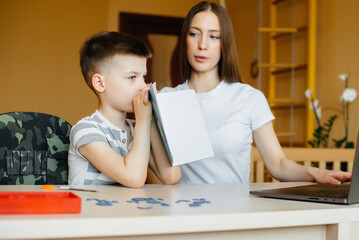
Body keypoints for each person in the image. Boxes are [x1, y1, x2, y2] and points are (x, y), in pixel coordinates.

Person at [161, 1, 352, 184]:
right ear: (185, 39)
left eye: (213, 36)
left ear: (224, 43)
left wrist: (315, 172)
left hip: (236, 213)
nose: (202, 45)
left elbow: (277, 164)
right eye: (194, 34)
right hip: (184, 212)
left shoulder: (249, 98)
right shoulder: (166, 99)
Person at [68, 31, 180, 187]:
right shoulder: (85, 130)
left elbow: (171, 176)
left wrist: (153, 119)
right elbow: (133, 178)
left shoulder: (138, 129)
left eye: (144, 76)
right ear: (100, 83)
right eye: (132, 77)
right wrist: (143, 122)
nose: (142, 85)